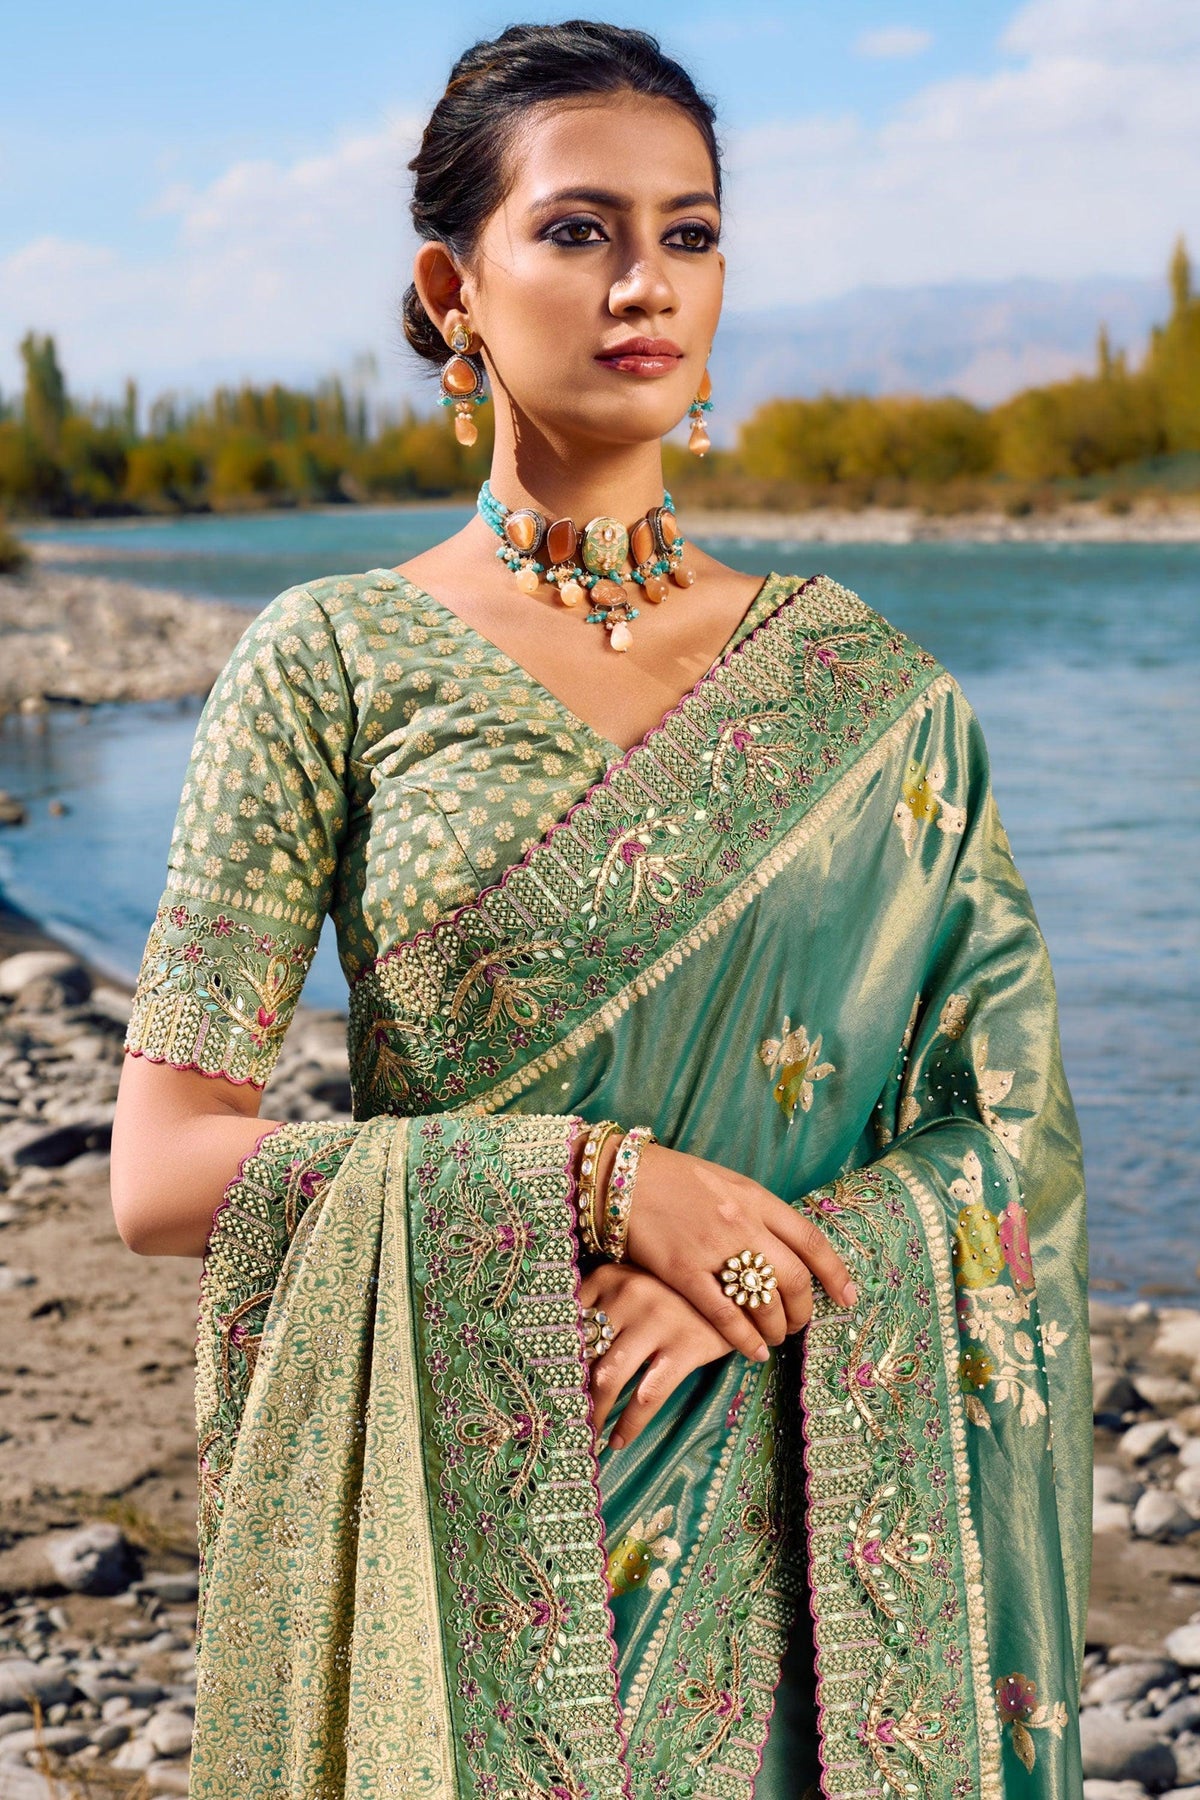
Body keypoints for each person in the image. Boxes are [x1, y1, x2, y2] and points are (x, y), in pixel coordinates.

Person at [110, 20, 1092, 1799]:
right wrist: (609, 1187)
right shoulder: (329, 664)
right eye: (578, 230)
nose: (646, 282)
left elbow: (1002, 1133)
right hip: (476, 1523)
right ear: (454, 290)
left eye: (689, 234)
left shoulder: (877, 700)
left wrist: (753, 1277)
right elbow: (162, 1172)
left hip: (804, 1564)